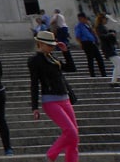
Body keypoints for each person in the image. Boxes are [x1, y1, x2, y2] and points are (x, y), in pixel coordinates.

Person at [28, 30, 79, 162]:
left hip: (65, 98)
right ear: (40, 44)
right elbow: (34, 83)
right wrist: (34, 107)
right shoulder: (35, 60)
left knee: (74, 136)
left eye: (52, 45)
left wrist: (65, 52)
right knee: (70, 131)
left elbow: (71, 68)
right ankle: (50, 156)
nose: (52, 47)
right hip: (50, 101)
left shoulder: (53, 57)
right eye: (49, 45)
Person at [74, 12, 106, 77]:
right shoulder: (78, 26)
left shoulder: (87, 25)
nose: (85, 20)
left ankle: (103, 74)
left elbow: (92, 32)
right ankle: (92, 74)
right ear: (80, 18)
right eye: (83, 18)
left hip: (92, 43)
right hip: (86, 43)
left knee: (99, 58)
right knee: (90, 59)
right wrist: (81, 44)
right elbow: (77, 36)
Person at [94, 13, 119, 86]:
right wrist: (111, 34)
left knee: (117, 64)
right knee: (118, 64)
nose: (107, 20)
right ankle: (113, 81)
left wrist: (111, 32)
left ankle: (113, 81)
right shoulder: (99, 27)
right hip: (107, 48)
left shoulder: (102, 27)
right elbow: (102, 36)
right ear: (102, 19)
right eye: (105, 19)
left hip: (109, 48)